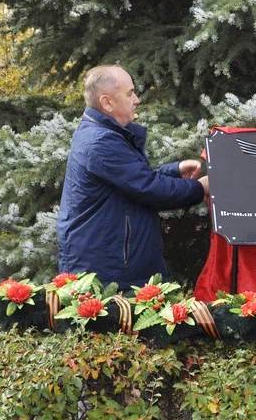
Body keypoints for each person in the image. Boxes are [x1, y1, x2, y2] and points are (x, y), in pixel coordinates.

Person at [57, 65, 208, 288]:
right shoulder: (101, 141)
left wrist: (174, 170)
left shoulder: (102, 134)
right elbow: (149, 189)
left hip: (111, 264)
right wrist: (200, 187)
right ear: (107, 102)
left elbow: (131, 181)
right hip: (107, 274)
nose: (137, 99)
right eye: (129, 93)